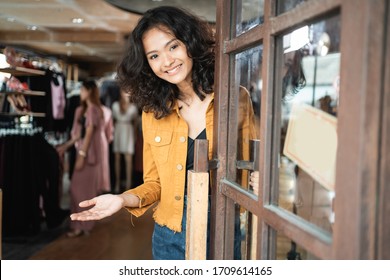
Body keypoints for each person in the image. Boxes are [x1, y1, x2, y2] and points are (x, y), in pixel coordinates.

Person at [70, 6, 257, 258]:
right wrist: (122, 199)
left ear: (190, 43)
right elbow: (155, 184)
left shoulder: (236, 99)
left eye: (173, 47)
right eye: (154, 56)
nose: (167, 61)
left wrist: (260, 180)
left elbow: (251, 168)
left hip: (223, 230)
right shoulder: (153, 113)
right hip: (170, 236)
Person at [57, 79, 112, 237]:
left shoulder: (94, 110)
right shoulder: (80, 110)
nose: (80, 93)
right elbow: (77, 135)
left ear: (89, 91)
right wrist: (65, 146)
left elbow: (88, 134)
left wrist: (81, 155)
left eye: (82, 90)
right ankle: (79, 224)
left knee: (82, 191)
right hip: (84, 152)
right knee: (77, 190)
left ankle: (83, 225)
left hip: (90, 155)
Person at [111, 89, 139, 193]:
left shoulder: (133, 107)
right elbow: (112, 122)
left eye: (129, 91)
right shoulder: (115, 105)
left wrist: (135, 137)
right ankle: (117, 184)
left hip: (128, 131)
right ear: (121, 93)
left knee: (129, 160)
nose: (128, 93)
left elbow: (135, 123)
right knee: (117, 159)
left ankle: (128, 185)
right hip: (118, 130)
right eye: (125, 91)